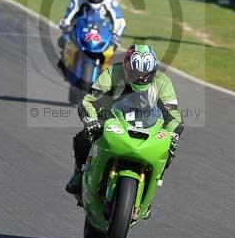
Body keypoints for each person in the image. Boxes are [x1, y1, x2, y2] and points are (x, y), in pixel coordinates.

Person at [65, 44, 183, 195]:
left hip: (148, 123)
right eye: (136, 73)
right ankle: (79, 172)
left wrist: (172, 135)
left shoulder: (163, 81)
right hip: (110, 118)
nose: (140, 78)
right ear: (127, 67)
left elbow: (174, 115)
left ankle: (152, 186)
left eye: (146, 74)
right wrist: (91, 120)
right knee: (84, 137)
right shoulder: (113, 72)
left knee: (168, 150)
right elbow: (88, 101)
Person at [58, 0, 126, 50]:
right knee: (64, 39)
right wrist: (67, 27)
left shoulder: (110, 1)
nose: (95, 0)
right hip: (79, 31)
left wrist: (116, 35)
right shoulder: (77, 1)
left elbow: (119, 21)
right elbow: (66, 19)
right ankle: (64, 59)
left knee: (113, 46)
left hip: (101, 32)